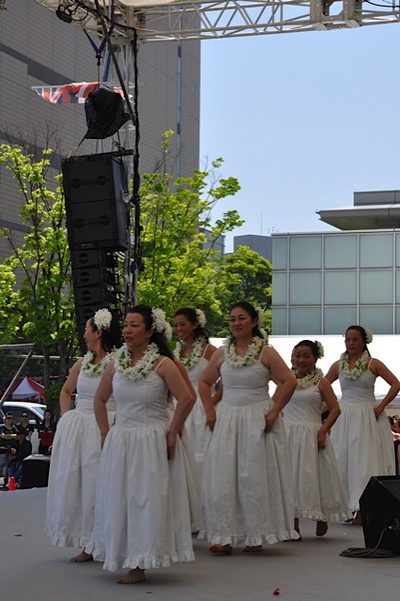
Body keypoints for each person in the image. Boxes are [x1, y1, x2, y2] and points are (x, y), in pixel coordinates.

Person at [89, 305, 195, 584]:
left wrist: (173, 432)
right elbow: (99, 400)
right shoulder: (116, 363)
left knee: (144, 500)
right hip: (122, 438)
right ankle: (124, 553)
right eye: (125, 325)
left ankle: (140, 562)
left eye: (134, 325)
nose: (127, 330)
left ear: (149, 332)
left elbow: (187, 398)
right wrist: (104, 432)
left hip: (151, 439)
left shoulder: (163, 364)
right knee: (122, 497)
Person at [198, 301, 298, 554]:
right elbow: (204, 381)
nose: (236, 323)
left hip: (257, 417)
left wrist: (274, 411)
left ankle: (256, 534)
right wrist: (209, 409)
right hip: (228, 417)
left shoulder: (266, 353)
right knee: (224, 477)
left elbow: (288, 381)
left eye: (241, 318)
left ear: (254, 322)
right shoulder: (222, 353)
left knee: (254, 477)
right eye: (232, 319)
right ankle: (224, 535)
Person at [45, 308, 121, 562]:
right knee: (83, 485)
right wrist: (68, 417)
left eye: (87, 330)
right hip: (81, 428)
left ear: (98, 332)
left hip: (106, 424)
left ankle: (108, 539)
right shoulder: (81, 362)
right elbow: (66, 391)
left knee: (102, 484)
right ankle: (88, 541)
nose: (84, 335)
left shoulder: (117, 362)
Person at [325, 325, 400, 525]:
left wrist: (381, 406)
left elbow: (396, 383)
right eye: (347, 340)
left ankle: (363, 507)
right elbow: (323, 387)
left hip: (367, 414)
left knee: (364, 459)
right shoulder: (337, 365)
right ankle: (345, 506)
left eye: (355, 340)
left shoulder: (373, 364)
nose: (350, 343)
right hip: (345, 414)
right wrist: (322, 411)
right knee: (344, 458)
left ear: (364, 341)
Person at [284, 340, 352, 539]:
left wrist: (323, 430)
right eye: (297, 355)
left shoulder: (321, 382)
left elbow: (335, 409)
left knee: (316, 476)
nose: (301, 360)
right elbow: (277, 405)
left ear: (315, 359)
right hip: (289, 433)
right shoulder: (286, 379)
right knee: (291, 477)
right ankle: (292, 524)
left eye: (306, 356)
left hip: (312, 433)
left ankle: (321, 516)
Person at [173, 307, 221, 477]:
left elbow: (225, 381)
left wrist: (212, 402)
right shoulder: (175, 353)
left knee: (200, 453)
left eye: (182, 324)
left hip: (202, 407)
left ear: (194, 325)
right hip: (179, 405)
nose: (178, 329)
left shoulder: (210, 351)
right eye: (176, 325)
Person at [0, 412, 18, 486]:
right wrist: (11, 436)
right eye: (8, 418)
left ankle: (6, 480)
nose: (9, 420)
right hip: (2, 449)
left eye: (11, 418)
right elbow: (2, 436)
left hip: (10, 450)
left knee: (8, 466)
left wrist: (9, 436)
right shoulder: (2, 427)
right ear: (5, 419)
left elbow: (16, 436)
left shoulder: (14, 428)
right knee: (1, 464)